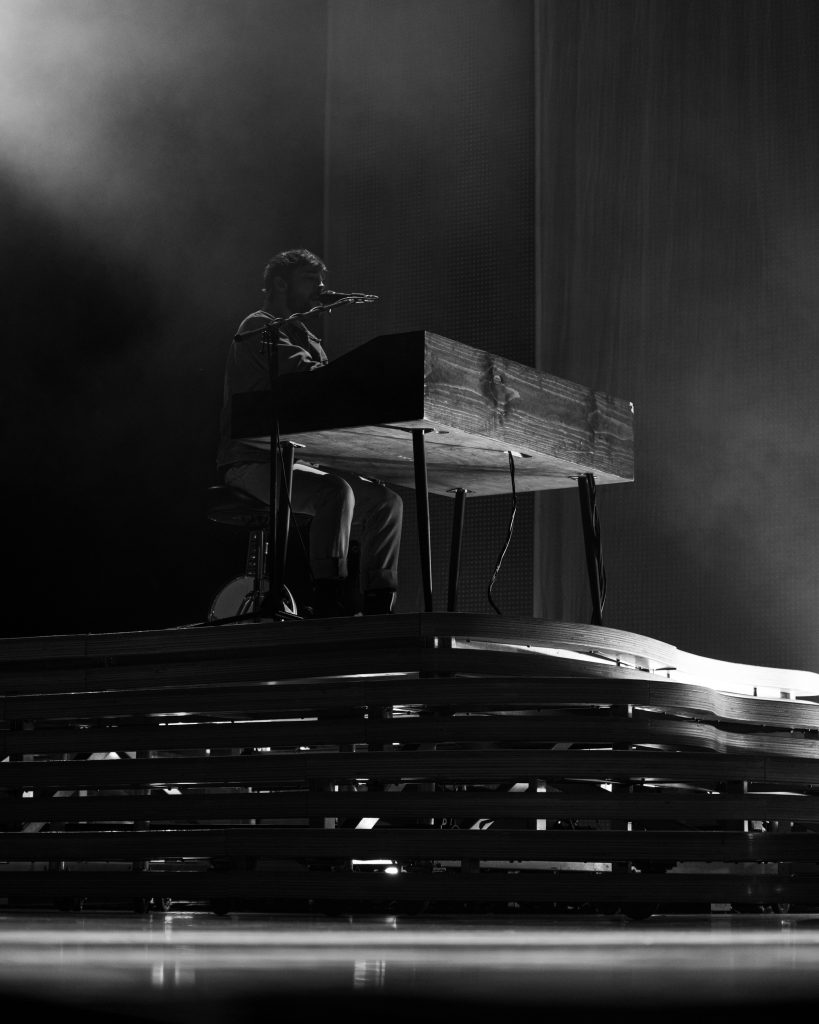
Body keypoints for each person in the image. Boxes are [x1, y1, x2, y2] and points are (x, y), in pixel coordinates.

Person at [216, 248, 402, 617]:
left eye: (322, 279)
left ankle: (381, 606)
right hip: (253, 463)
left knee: (386, 503)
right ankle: (330, 599)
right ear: (281, 284)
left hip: (300, 459)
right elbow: (302, 375)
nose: (321, 287)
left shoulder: (308, 336)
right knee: (335, 492)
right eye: (310, 279)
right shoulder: (258, 325)